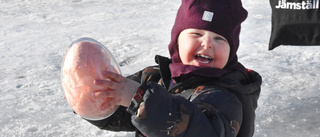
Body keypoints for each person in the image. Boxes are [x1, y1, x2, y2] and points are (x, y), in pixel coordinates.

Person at [85, 0, 262, 136]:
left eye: (219, 39)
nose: (207, 43)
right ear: (177, 42)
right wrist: (91, 98)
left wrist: (141, 101)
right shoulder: (155, 77)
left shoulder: (225, 98)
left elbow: (200, 131)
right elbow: (118, 113)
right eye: (197, 34)